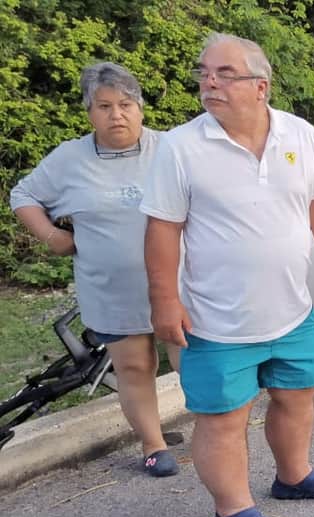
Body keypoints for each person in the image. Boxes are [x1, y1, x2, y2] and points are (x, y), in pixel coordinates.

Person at [140, 33, 314, 517]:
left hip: (291, 310)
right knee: (222, 418)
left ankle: (294, 476)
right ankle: (232, 509)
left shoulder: (300, 135)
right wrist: (164, 301)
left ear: (261, 86)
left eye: (224, 73)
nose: (209, 82)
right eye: (204, 73)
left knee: (298, 397)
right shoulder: (180, 147)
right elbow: (162, 230)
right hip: (216, 321)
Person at [8, 62, 181, 477]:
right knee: (135, 365)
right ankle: (153, 444)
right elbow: (23, 194)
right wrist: (54, 237)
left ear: (140, 107)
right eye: (103, 106)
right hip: (111, 289)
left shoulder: (173, 149)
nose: (115, 114)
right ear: (89, 112)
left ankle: (215, 431)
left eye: (125, 104)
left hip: (177, 286)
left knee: (192, 360)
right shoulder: (70, 158)